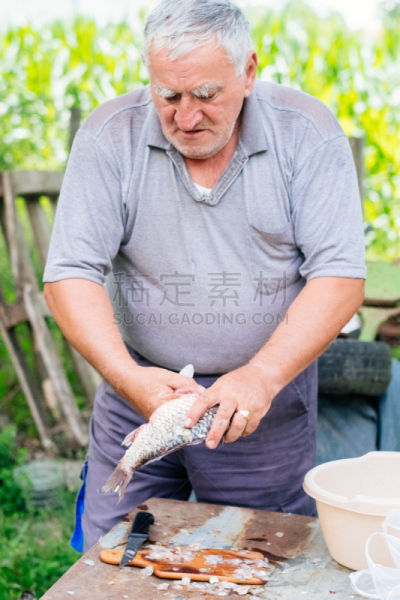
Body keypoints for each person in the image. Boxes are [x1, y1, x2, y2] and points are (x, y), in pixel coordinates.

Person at [43, 0, 366, 552]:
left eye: (206, 95)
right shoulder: (109, 136)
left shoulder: (306, 133)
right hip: (139, 385)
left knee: (260, 557)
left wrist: (261, 376)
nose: (186, 117)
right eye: (168, 95)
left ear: (248, 71)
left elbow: (340, 277)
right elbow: (69, 273)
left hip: (263, 401)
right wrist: (128, 378)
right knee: (111, 555)